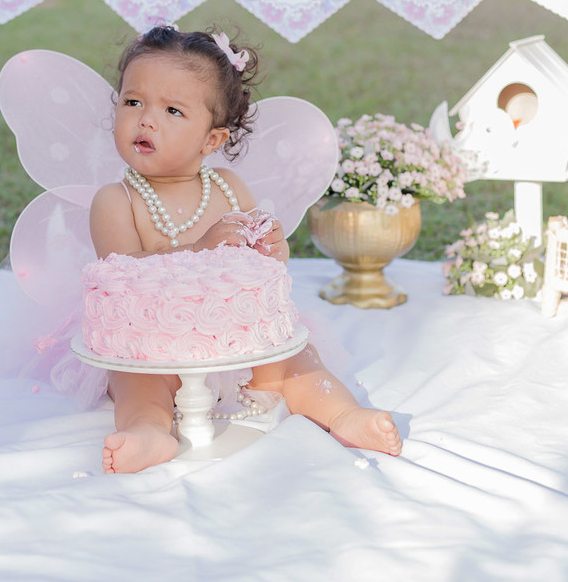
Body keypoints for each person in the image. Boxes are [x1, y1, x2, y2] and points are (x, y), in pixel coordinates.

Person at [89, 24, 402, 474]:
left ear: (212, 139)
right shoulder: (117, 200)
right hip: (151, 344)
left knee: (296, 363)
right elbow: (120, 272)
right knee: (135, 382)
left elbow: (259, 265)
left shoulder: (228, 188)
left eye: (172, 110)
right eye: (133, 102)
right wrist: (198, 248)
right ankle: (149, 431)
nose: (146, 119)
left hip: (236, 342)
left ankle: (344, 415)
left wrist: (273, 247)